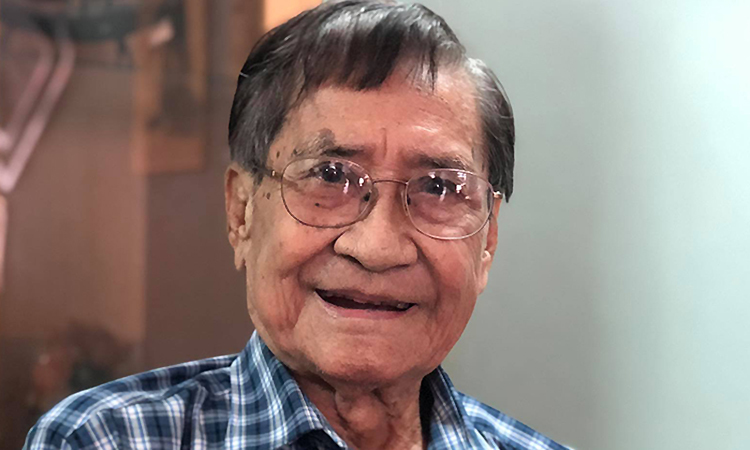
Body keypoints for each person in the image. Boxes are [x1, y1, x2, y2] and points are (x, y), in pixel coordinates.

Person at [24, 1, 569, 449]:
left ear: (487, 240)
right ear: (241, 212)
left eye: (438, 187)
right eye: (330, 176)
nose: (378, 246)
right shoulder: (105, 439)